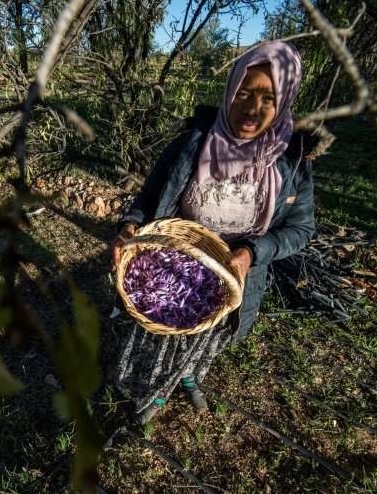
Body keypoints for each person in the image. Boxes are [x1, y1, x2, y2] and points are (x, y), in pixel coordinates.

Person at [107, 41, 316, 424]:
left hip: (234, 277)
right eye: (245, 92)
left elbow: (301, 229)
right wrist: (129, 228)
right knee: (161, 336)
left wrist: (252, 252)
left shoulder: (293, 162)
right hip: (171, 266)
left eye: (268, 97)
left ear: (284, 100)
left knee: (207, 338)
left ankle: (187, 378)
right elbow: (151, 195)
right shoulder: (193, 143)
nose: (253, 108)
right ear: (230, 89)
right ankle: (153, 395)